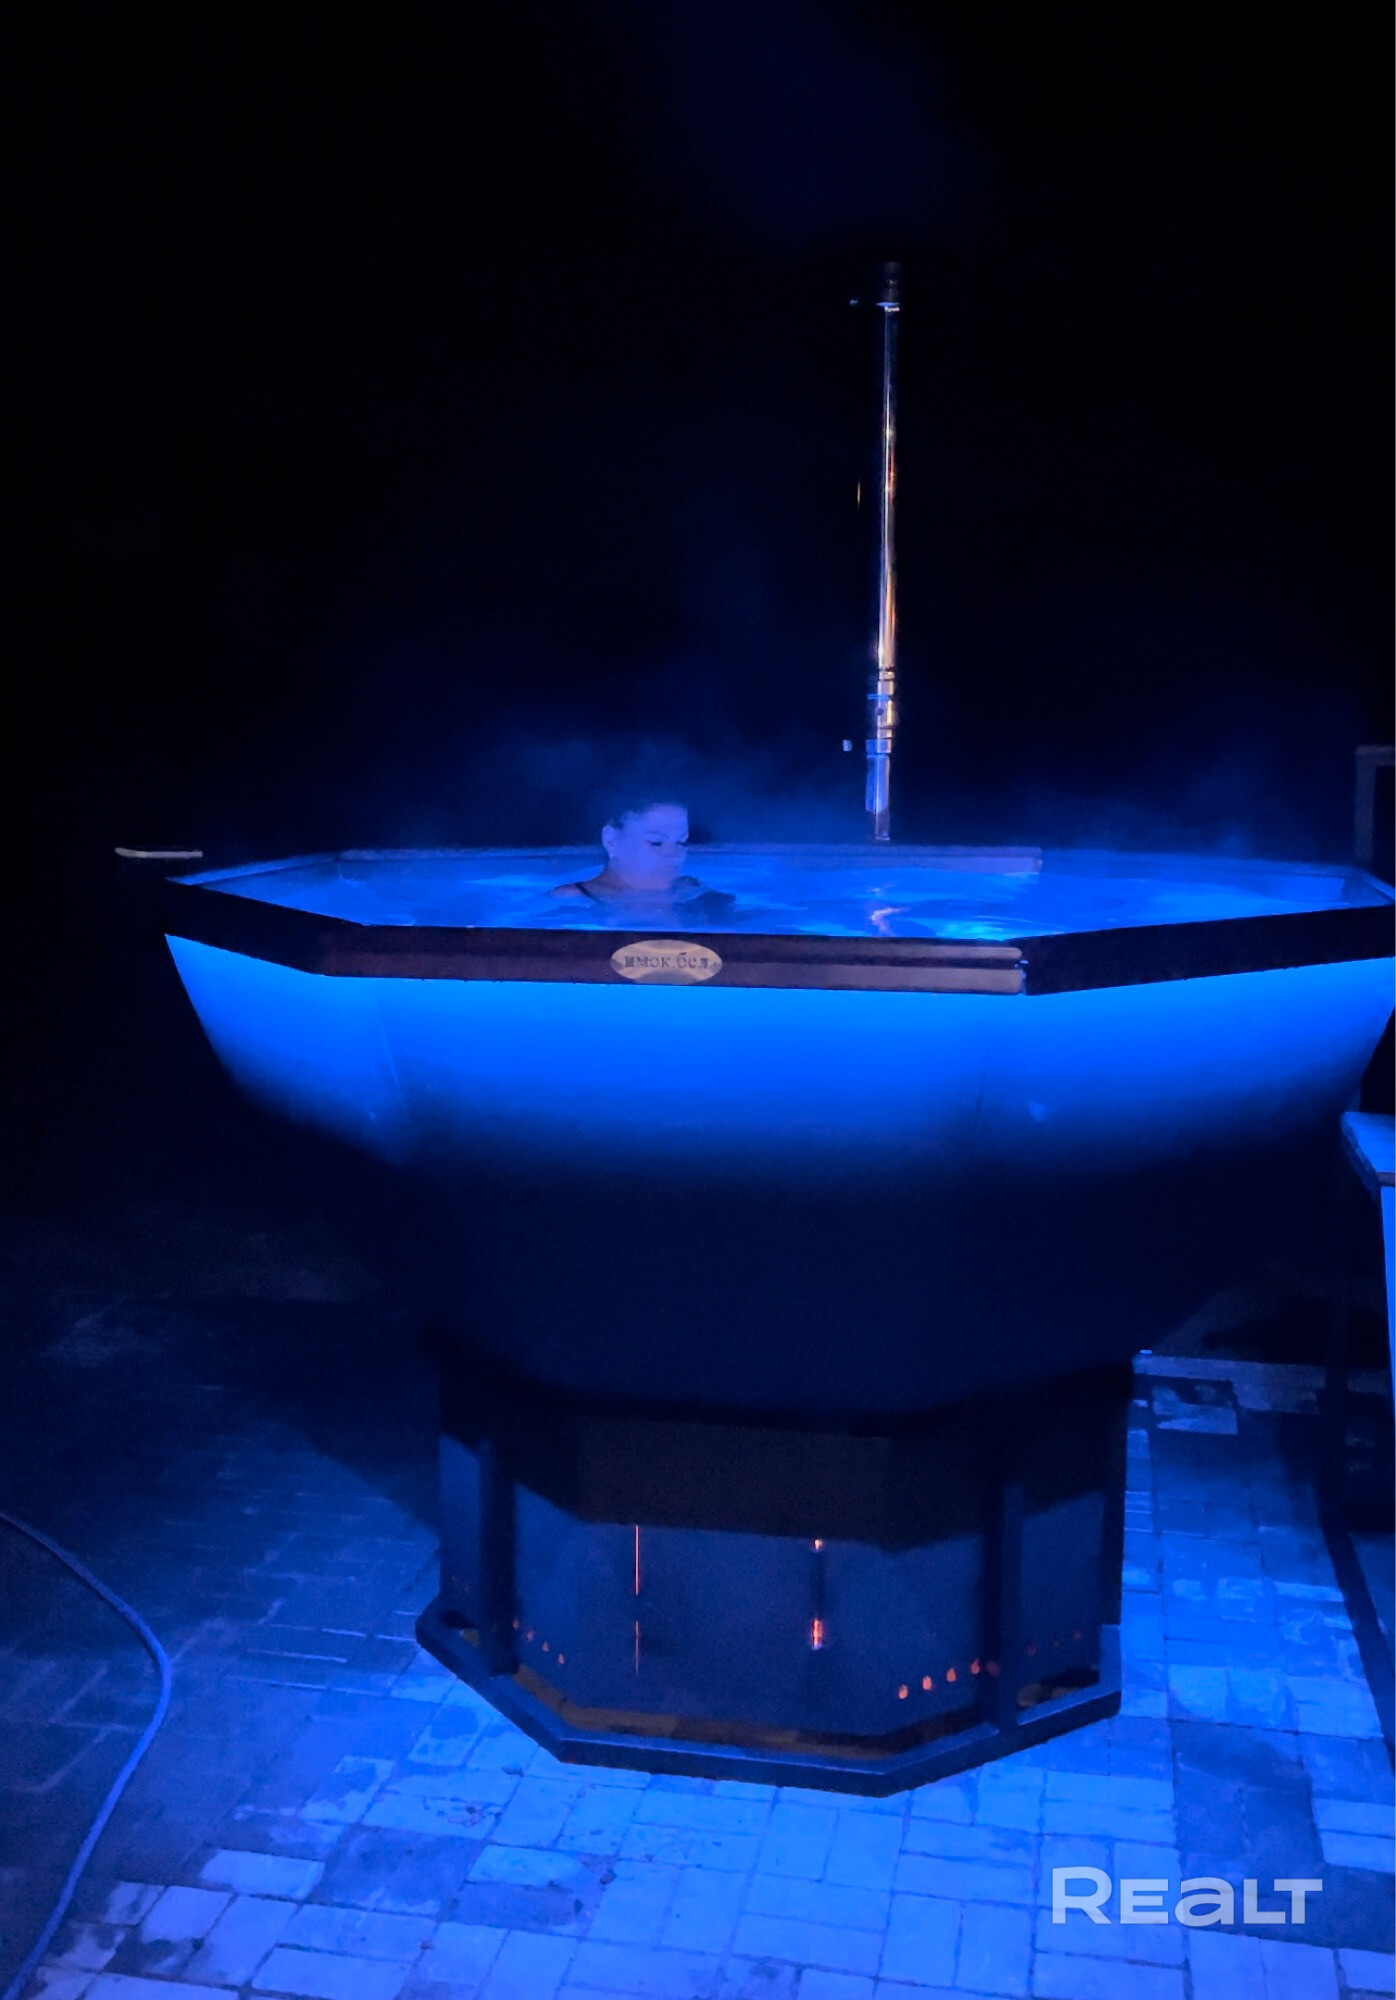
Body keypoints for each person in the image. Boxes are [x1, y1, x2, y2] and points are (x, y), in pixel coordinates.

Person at [552, 798, 734, 915]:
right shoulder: (571, 899)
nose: (675, 855)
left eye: (681, 842)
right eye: (656, 842)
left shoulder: (691, 891)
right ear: (611, 840)